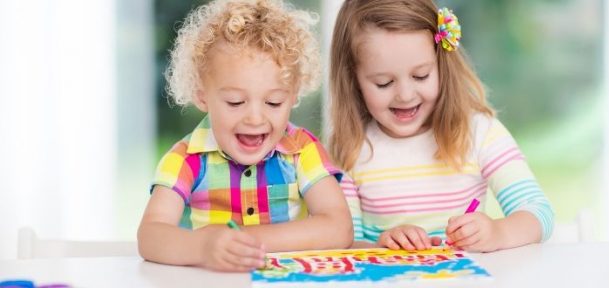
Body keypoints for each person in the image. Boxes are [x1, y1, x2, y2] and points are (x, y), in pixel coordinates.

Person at [138, 0, 352, 272]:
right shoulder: (185, 159)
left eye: (273, 102)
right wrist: (203, 247)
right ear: (202, 95)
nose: (255, 118)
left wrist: (245, 242)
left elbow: (338, 227)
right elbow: (150, 237)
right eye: (236, 102)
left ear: (294, 95)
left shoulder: (302, 150)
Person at [328, 0, 554, 252]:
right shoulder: (349, 148)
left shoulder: (479, 133)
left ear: (441, 66)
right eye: (383, 82)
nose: (405, 94)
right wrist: (379, 245)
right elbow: (342, 242)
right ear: (353, 79)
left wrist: (497, 232)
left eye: (421, 75)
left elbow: (538, 212)